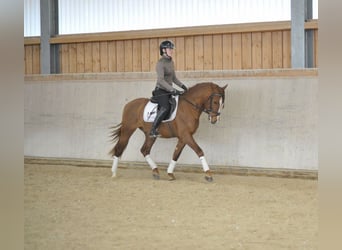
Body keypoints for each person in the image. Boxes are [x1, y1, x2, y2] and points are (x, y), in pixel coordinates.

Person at [149, 40, 188, 137]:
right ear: (163, 50)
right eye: (169, 49)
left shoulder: (171, 62)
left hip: (169, 90)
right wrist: (173, 90)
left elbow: (174, 78)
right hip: (161, 91)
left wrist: (183, 86)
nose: (171, 51)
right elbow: (161, 80)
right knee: (166, 107)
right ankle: (153, 129)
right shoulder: (160, 63)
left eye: (172, 49)